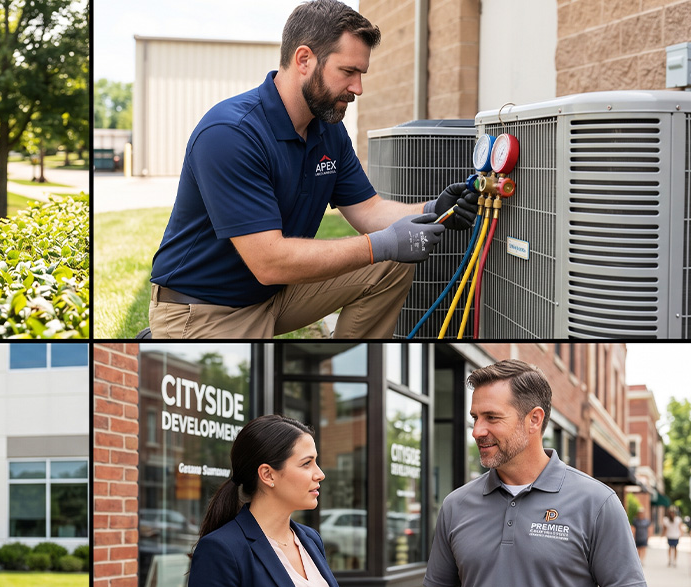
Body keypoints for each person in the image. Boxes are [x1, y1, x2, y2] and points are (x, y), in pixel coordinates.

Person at [147, 0, 477, 339]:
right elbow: (269, 261)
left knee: (391, 265)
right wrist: (380, 244)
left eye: (360, 74)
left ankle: (349, 367)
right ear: (304, 59)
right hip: (207, 310)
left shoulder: (327, 129)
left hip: (273, 295)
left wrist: (434, 211)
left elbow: (370, 210)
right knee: (256, 389)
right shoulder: (230, 133)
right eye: (348, 72)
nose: (358, 88)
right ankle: (167, 337)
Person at [421, 360, 647, 587]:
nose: (476, 431)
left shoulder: (597, 502)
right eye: (475, 418)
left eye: (492, 418)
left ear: (534, 419)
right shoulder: (456, 504)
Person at [187, 414, 372, 587]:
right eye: (307, 463)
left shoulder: (310, 540)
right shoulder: (222, 550)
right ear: (267, 475)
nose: (320, 474)